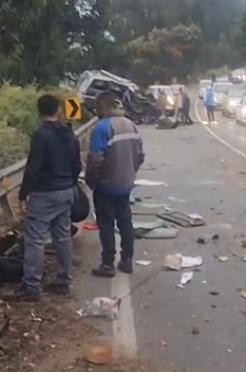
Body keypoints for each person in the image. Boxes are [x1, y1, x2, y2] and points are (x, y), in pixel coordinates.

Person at [8, 94, 82, 301]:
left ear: (39, 111)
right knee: (63, 236)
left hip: (45, 194)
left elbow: (34, 168)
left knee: (35, 240)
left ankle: (32, 286)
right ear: (58, 110)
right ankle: (64, 281)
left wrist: (23, 194)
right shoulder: (70, 134)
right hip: (66, 191)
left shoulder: (41, 135)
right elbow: (77, 165)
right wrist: (70, 183)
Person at [85, 92, 145, 277]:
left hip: (106, 185)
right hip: (125, 184)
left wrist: (92, 182)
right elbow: (140, 155)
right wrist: (129, 173)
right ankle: (127, 260)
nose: (96, 112)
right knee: (126, 222)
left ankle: (108, 264)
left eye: (97, 108)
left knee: (106, 224)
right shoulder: (131, 125)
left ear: (103, 107)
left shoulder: (102, 128)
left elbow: (95, 160)